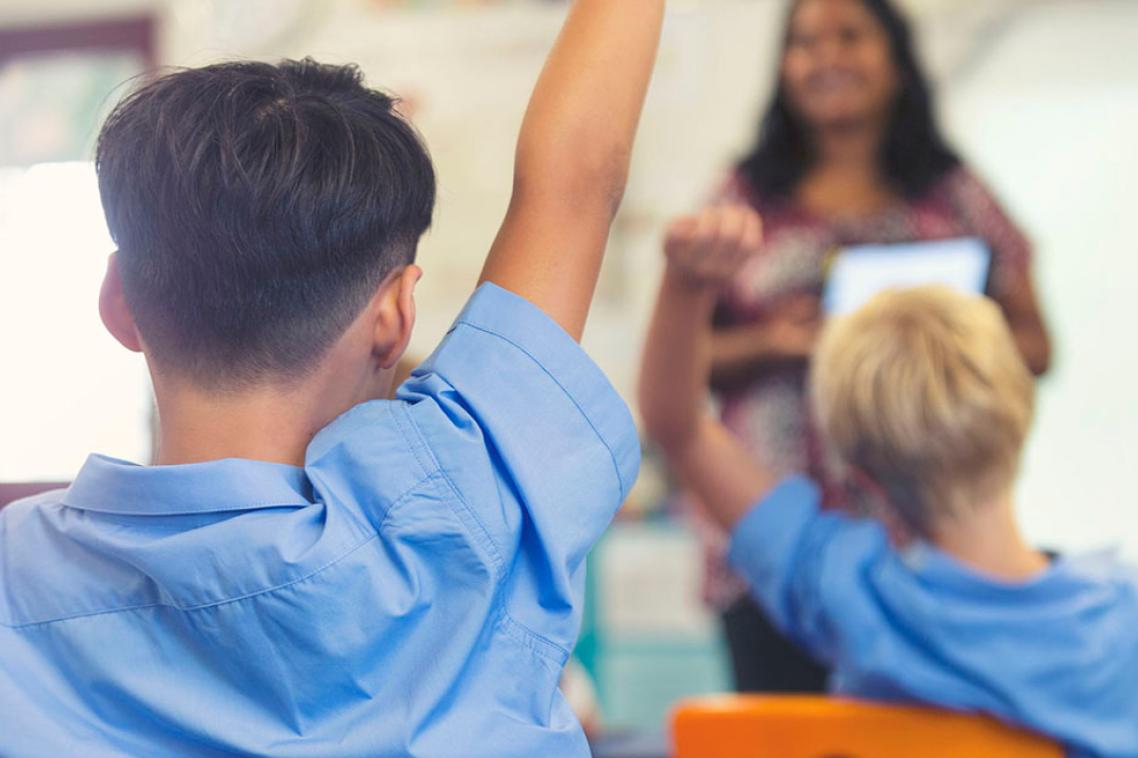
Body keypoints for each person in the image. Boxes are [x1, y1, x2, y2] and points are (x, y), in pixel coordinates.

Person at [0, 2, 664, 755]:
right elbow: (573, 183)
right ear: (394, 316)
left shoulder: (14, 580)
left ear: (119, 302)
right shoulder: (466, 498)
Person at [639, 205, 1137, 758]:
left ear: (861, 476)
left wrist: (686, 283)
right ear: (1022, 420)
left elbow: (677, 427)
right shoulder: (1122, 622)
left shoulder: (848, 592)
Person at [696, 0, 1052, 694]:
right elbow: (684, 358)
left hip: (926, 537)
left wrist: (937, 333)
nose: (827, 57)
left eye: (849, 37)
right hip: (771, 533)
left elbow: (1037, 346)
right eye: (804, 43)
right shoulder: (743, 196)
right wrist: (775, 341)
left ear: (895, 60)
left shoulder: (954, 194)